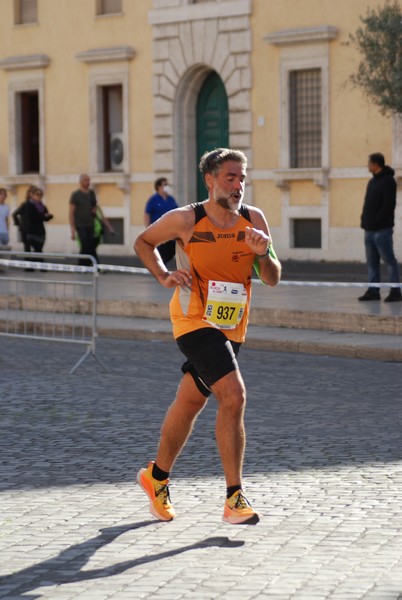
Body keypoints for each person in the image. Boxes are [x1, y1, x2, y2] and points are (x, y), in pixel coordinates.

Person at [134, 148, 281, 525]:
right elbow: (143, 242)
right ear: (210, 180)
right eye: (230, 178)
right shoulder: (186, 219)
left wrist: (263, 254)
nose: (238, 186)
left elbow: (273, 277)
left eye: (242, 179)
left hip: (232, 326)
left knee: (189, 402)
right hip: (193, 321)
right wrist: (164, 275)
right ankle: (234, 498)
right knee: (234, 395)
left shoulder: (254, 219)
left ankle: (156, 478)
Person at [359, 152, 402, 302]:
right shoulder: (372, 182)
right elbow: (368, 203)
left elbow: (388, 206)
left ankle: (396, 291)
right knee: (372, 262)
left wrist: (376, 221)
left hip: (382, 230)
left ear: (376, 164)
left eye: (369, 162)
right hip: (369, 230)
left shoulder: (388, 181)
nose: (368, 165)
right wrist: (364, 220)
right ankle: (373, 291)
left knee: (389, 260)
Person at [144, 177, 178, 265]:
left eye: (168, 185)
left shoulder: (171, 199)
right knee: (160, 251)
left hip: (171, 231)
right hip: (158, 230)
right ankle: (158, 268)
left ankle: (162, 266)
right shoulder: (153, 199)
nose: (167, 187)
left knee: (173, 248)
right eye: (165, 185)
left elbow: (177, 212)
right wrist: (148, 229)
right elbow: (147, 214)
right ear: (159, 187)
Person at [69, 174, 98, 266]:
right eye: (86, 180)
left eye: (88, 180)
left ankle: (84, 264)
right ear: (81, 182)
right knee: (85, 244)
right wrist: (73, 230)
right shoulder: (75, 195)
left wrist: (94, 210)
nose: (88, 182)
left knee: (90, 245)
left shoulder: (91, 193)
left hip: (91, 223)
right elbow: (71, 212)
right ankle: (89, 265)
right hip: (80, 224)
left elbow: (95, 205)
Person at [24, 187, 53, 264]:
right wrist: (43, 216)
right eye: (37, 194)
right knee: (37, 249)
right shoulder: (29, 205)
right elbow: (33, 217)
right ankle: (42, 265)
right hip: (32, 231)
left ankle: (33, 264)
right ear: (32, 195)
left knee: (38, 249)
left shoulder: (42, 206)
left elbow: (45, 216)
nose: (39, 196)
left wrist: (49, 216)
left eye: (41, 194)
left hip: (41, 231)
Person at [12, 185, 35, 253]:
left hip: (33, 229)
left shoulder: (36, 205)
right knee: (27, 247)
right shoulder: (25, 204)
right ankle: (27, 261)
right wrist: (18, 224)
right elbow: (14, 214)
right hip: (25, 229)